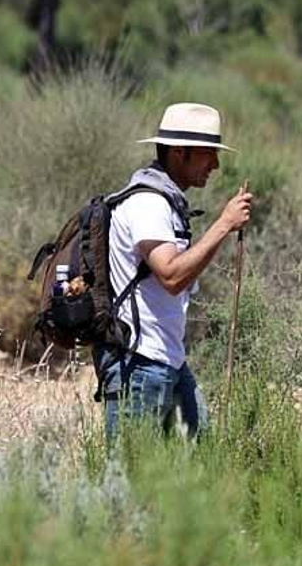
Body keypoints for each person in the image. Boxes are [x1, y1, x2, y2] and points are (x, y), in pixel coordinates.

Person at [96, 102, 253, 441]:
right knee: (129, 478)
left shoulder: (166, 202)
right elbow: (171, 276)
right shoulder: (148, 204)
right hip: (139, 364)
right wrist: (224, 224)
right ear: (180, 152)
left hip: (166, 360)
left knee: (199, 462)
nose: (215, 164)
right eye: (207, 153)